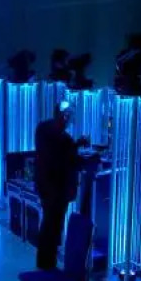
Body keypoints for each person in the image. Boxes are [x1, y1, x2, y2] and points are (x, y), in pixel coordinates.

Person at [34, 101, 88, 270]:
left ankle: (46, 262)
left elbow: (58, 153)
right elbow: (61, 159)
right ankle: (47, 263)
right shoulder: (59, 136)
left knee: (51, 224)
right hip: (56, 189)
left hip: (48, 187)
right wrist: (78, 151)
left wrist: (75, 145)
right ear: (63, 115)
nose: (69, 120)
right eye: (68, 116)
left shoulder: (45, 129)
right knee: (52, 225)